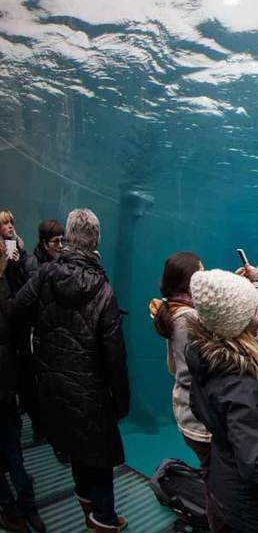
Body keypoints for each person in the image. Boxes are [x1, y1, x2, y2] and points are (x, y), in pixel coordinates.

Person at [7, 209, 130, 532]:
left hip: (53, 386)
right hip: (91, 393)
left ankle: (90, 513)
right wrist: (121, 402)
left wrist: (37, 352)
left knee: (76, 449)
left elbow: (16, 310)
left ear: (69, 239)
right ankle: (102, 520)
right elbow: (115, 357)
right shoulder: (103, 291)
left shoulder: (46, 275)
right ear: (97, 241)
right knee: (100, 462)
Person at [186, 269, 258, 532]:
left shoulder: (202, 356)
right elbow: (257, 466)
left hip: (222, 482)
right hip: (250, 507)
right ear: (237, 322)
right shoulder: (239, 385)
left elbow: (196, 406)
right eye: (253, 311)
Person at [150, 252, 258, 469]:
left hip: (188, 415)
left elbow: (172, 367)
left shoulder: (172, 310)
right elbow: (253, 320)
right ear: (189, 285)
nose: (205, 280)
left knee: (213, 477)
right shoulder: (194, 321)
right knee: (222, 483)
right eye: (201, 275)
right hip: (204, 422)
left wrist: (234, 286)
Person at [0, 245, 45, 532]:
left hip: (5, 381)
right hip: (7, 381)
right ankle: (28, 509)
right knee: (12, 447)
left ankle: (12, 511)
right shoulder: (5, 286)